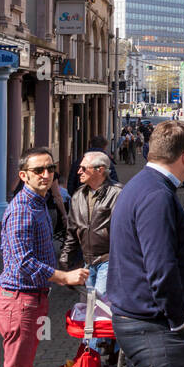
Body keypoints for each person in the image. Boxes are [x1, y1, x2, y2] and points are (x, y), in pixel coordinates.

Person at [107, 121, 184, 367]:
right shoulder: (156, 196)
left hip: (140, 320)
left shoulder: (140, 185)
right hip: (153, 327)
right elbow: (161, 266)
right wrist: (177, 319)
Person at [0, 148, 88, 367]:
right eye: (38, 170)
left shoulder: (38, 202)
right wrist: (63, 277)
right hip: (20, 301)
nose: (46, 174)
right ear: (23, 175)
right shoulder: (22, 210)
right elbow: (23, 263)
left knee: (24, 364)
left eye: (50, 169)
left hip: (32, 299)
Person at [60, 150, 122, 356]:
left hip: (108, 261)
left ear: (100, 170)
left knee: (98, 312)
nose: (78, 172)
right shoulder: (78, 196)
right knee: (92, 312)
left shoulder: (117, 194)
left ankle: (93, 356)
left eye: (83, 168)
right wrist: (65, 262)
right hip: (88, 263)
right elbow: (72, 232)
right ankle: (101, 354)